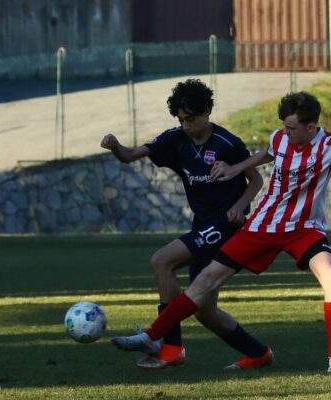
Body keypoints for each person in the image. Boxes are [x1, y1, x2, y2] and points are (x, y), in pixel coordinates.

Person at [109, 91, 331, 374]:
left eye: (292, 128)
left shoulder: (328, 144)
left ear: (310, 128)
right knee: (206, 280)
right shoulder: (280, 138)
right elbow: (265, 154)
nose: (285, 132)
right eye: (284, 126)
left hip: (303, 229)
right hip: (262, 226)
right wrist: (234, 168)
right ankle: (151, 335)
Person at [100, 78, 273, 370]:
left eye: (191, 119)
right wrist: (116, 147)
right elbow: (130, 156)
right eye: (181, 120)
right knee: (204, 311)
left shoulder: (227, 143)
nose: (186, 125)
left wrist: (239, 207)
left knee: (161, 261)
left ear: (207, 110)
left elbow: (256, 179)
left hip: (226, 228)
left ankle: (169, 346)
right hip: (202, 226)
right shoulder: (175, 139)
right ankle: (258, 353)